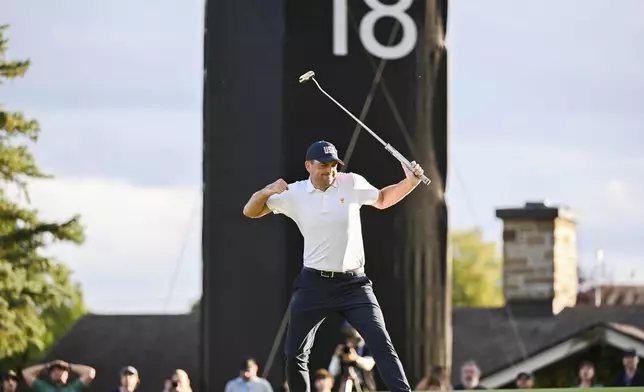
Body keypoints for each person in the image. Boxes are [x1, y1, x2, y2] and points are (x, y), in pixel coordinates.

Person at [243, 140, 425, 392]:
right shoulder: (294, 194)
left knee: (381, 343)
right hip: (314, 284)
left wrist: (410, 183)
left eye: (333, 165)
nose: (329, 170)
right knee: (295, 352)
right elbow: (250, 211)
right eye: (323, 165)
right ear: (309, 166)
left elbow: (382, 199)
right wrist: (267, 191)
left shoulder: (351, 183)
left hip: (354, 284)